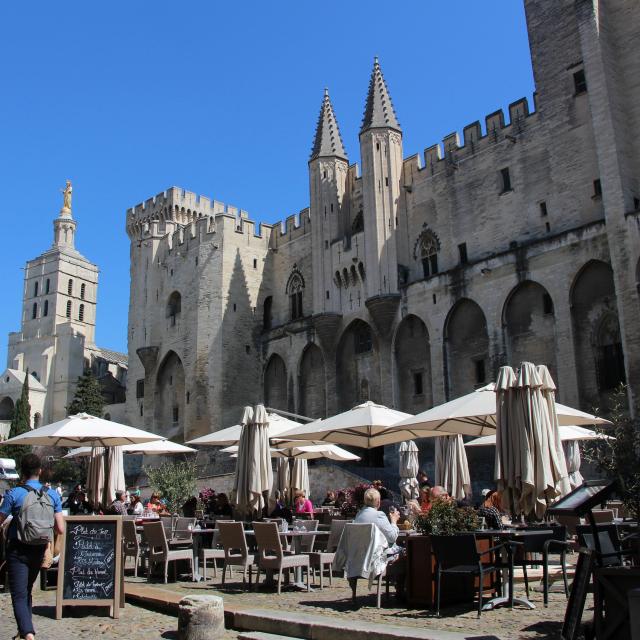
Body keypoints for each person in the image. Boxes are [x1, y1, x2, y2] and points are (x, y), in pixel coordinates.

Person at [0, 453, 64, 640]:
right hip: (40, 548)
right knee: (26, 590)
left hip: (18, 548)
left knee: (18, 594)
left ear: (22, 472)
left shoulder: (14, 494)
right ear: (40, 471)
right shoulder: (52, 495)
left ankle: (28, 634)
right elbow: (60, 528)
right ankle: (23, 630)